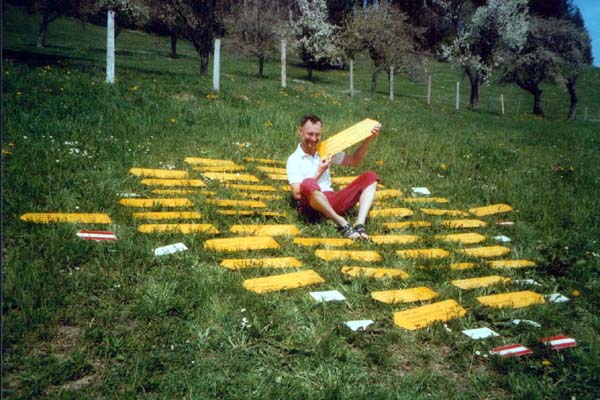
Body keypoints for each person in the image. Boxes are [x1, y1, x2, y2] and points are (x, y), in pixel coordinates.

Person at [286, 114, 381, 240]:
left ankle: (359, 224)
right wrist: (319, 171)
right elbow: (297, 193)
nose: (314, 139)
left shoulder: (325, 150)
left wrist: (367, 140)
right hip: (311, 205)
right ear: (300, 131)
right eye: (310, 134)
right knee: (308, 183)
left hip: (331, 199)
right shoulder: (294, 159)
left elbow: (354, 161)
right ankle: (342, 223)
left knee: (370, 176)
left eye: (317, 135)